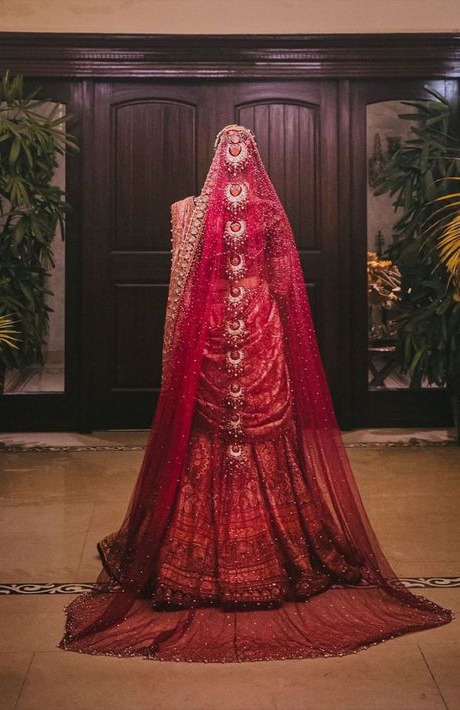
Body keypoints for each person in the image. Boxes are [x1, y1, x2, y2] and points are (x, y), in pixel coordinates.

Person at [59, 124, 453, 662]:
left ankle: (195, 558)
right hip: (256, 323)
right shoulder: (264, 211)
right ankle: (279, 552)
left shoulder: (191, 212)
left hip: (215, 324)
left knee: (218, 435)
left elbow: (192, 284)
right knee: (252, 432)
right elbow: (284, 280)